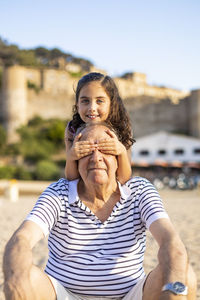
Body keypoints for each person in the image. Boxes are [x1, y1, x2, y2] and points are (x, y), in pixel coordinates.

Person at [3, 123, 197, 300]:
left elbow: (170, 241)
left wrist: (173, 292)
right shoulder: (58, 193)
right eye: (86, 151)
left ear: (118, 158)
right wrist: (17, 281)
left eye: (105, 149)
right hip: (65, 295)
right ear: (76, 160)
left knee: (183, 275)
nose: (96, 158)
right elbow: (21, 240)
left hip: (130, 296)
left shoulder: (139, 191)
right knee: (22, 274)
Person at [64, 72, 134, 185]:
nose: (92, 108)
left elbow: (124, 178)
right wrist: (72, 157)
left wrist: (121, 151)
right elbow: (72, 180)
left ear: (112, 104)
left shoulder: (123, 128)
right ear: (77, 104)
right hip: (84, 191)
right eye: (85, 101)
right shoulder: (72, 129)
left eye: (100, 101)